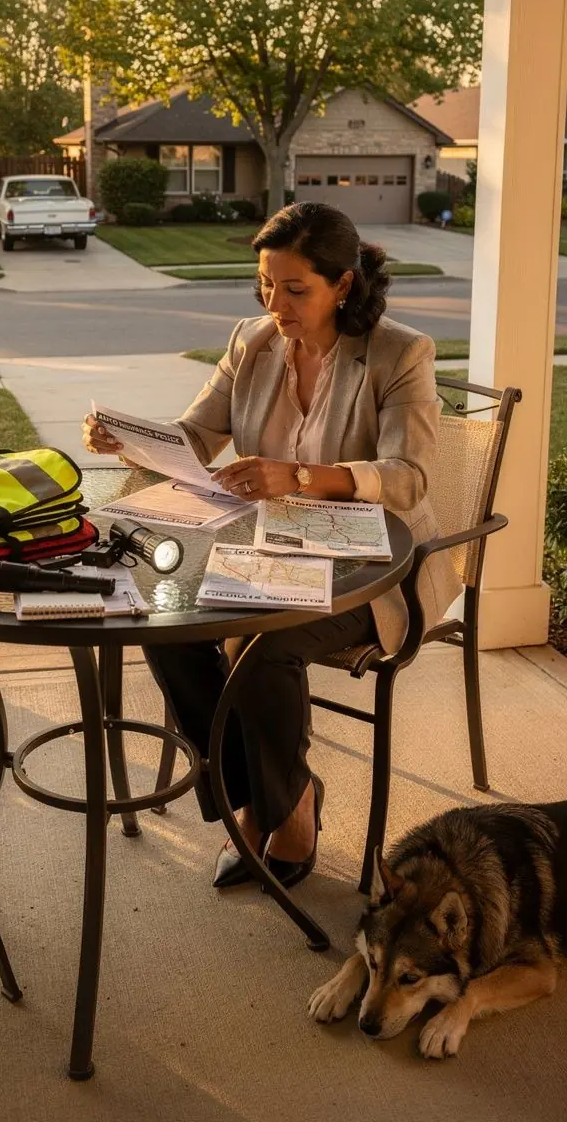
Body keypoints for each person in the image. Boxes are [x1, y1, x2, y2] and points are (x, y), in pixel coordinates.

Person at [82, 201, 460, 891]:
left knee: (258, 647)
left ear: (342, 285)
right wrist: (133, 438)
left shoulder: (399, 353)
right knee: (166, 624)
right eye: (265, 284)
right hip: (262, 551)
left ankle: (290, 817)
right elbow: (196, 435)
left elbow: (410, 481)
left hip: (373, 568)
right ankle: (253, 797)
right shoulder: (252, 341)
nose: (274, 304)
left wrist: (303, 476)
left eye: (294, 289)